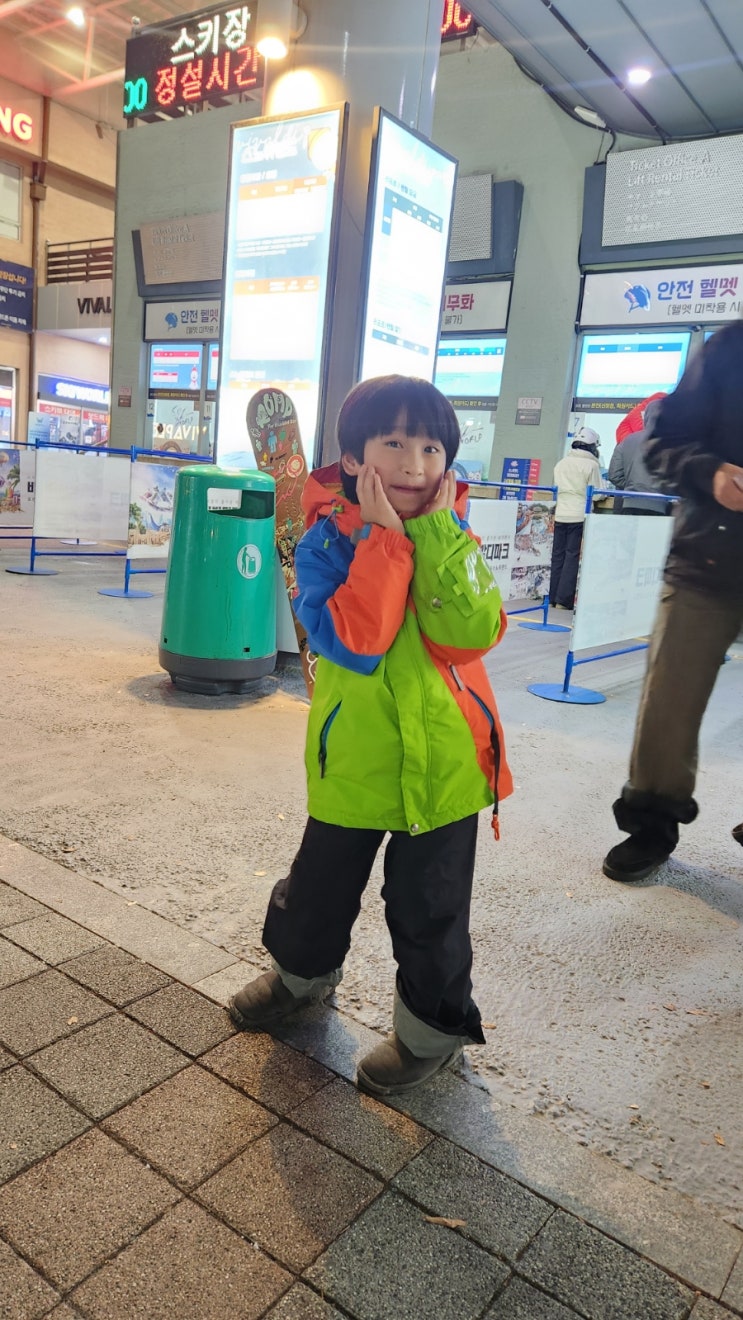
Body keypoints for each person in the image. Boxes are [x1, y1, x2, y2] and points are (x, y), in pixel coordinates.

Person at [229, 375, 512, 1095]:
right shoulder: (324, 544)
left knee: (432, 912)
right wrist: (385, 543)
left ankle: (431, 1037)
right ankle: (300, 978)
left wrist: (436, 538)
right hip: (352, 761)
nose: (415, 464)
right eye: (394, 443)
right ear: (354, 459)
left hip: (446, 768)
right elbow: (355, 642)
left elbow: (473, 633)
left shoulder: (456, 535)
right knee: (318, 890)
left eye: (431, 447)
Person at [603, 320, 743, 883]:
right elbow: (661, 443)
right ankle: (651, 823)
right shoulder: (730, 348)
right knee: (669, 699)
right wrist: (712, 474)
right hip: (707, 559)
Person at [549, 426, 603, 609]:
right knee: (572, 556)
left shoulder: (561, 463)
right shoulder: (592, 465)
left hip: (560, 513)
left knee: (557, 556)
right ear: (592, 447)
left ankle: (552, 597)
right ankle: (564, 600)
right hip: (579, 515)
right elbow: (596, 494)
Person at [607, 398, 669, 515]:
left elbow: (614, 474)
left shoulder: (627, 440)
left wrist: (632, 487)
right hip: (659, 507)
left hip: (630, 504)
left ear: (645, 416)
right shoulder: (670, 444)